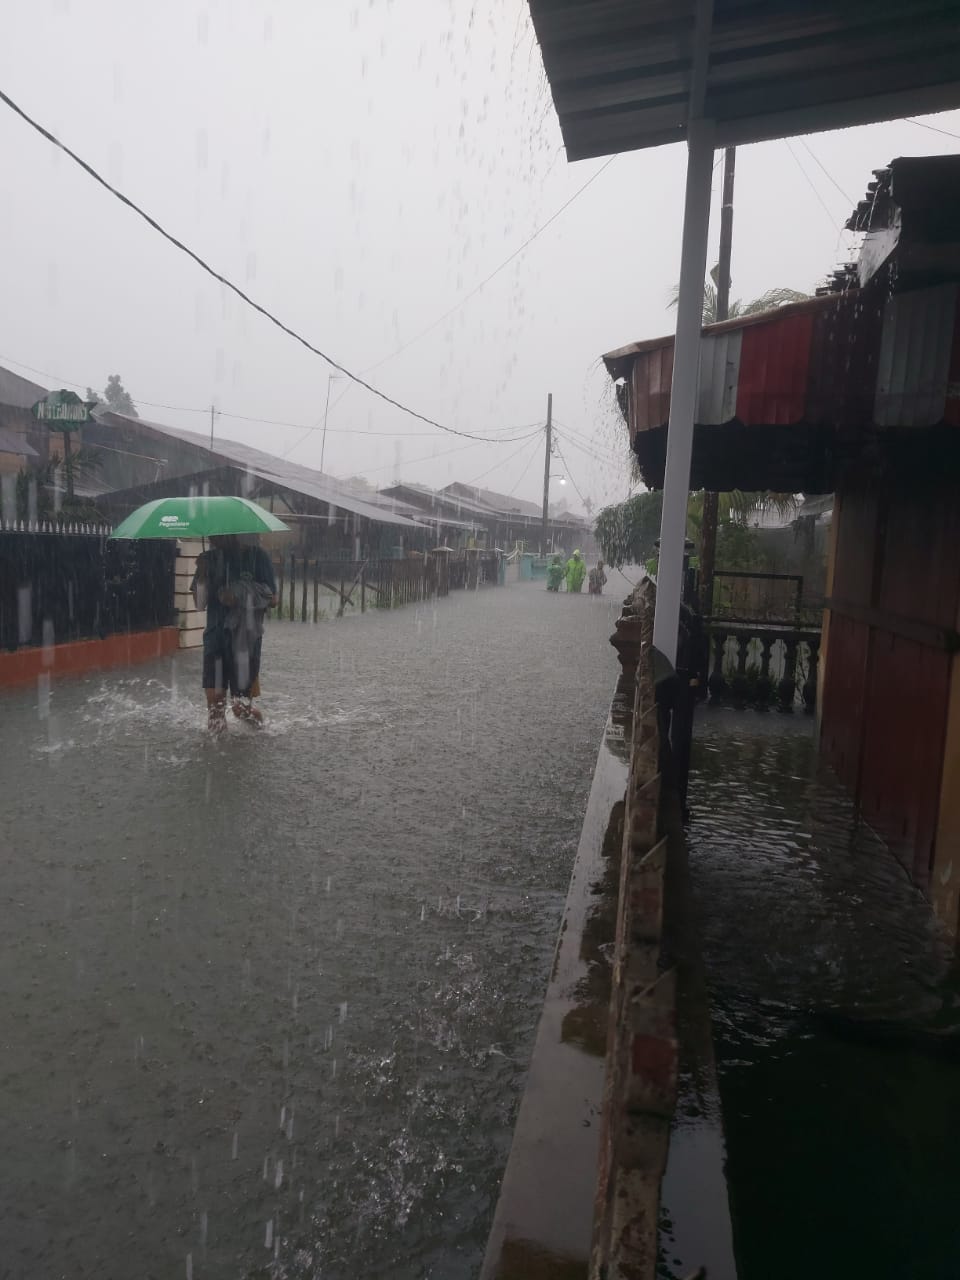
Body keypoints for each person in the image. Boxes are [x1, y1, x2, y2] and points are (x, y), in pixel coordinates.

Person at [191, 534, 277, 731]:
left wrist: (240, 593)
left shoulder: (258, 557)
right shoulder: (209, 558)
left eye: (218, 533)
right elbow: (199, 604)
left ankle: (260, 730)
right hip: (215, 639)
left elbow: (273, 599)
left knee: (240, 708)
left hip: (245, 643)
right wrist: (203, 574)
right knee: (215, 707)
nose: (213, 536)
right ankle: (215, 759)